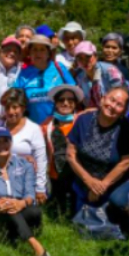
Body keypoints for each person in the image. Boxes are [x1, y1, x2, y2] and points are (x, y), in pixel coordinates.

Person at [0, 127, 50, 256]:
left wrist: (21, 203)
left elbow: (30, 194)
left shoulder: (25, 165)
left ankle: (0, 237)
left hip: (26, 212)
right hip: (2, 214)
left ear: (11, 143)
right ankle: (36, 247)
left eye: (5, 141)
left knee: (31, 210)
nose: (2, 145)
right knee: (7, 205)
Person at [67, 87, 129, 211]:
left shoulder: (125, 128)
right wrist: (89, 181)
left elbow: (126, 162)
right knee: (81, 224)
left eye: (119, 105)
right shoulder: (84, 119)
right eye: (111, 100)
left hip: (111, 184)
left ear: (124, 111)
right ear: (102, 99)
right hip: (83, 179)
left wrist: (101, 186)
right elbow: (71, 154)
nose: (113, 106)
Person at [0, 89, 49, 204]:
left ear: (23, 107)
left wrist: (40, 188)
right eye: (7, 108)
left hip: (26, 182)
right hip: (1, 179)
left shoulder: (33, 129)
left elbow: (41, 159)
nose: (11, 112)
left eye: (15, 107)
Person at [13, 34, 76, 125]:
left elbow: (73, 92)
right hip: (33, 128)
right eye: (34, 49)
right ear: (30, 53)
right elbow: (15, 98)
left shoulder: (59, 67)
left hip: (60, 125)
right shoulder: (24, 73)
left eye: (42, 49)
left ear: (48, 53)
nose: (38, 53)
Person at [42, 84, 82, 215]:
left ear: (76, 103)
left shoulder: (81, 121)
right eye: (61, 100)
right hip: (55, 175)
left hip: (77, 175)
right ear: (55, 103)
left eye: (70, 100)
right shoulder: (46, 126)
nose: (66, 103)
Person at [73, 41, 125, 109]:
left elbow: (120, 96)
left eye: (88, 56)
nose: (85, 61)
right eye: (80, 58)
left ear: (96, 56)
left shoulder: (110, 70)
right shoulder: (80, 78)